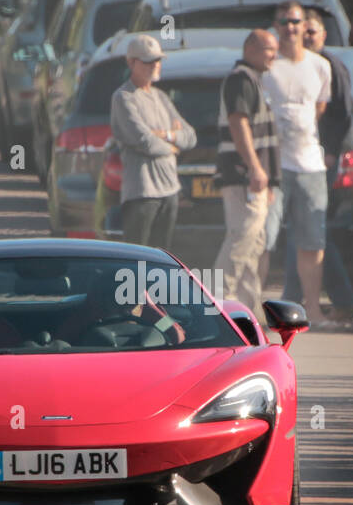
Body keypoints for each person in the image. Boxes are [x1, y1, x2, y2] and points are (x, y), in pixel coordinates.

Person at [283, 10, 353, 322]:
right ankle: (301, 298)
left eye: (313, 32)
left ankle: (332, 299)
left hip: (320, 162)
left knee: (312, 233)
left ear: (324, 35)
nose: (308, 37)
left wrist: (331, 152)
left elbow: (344, 114)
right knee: (303, 232)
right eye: (304, 31)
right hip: (294, 160)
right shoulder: (295, 68)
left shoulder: (329, 66)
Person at [263, 1, 333, 328]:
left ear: (305, 25)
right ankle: (251, 309)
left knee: (312, 242)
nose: (291, 27)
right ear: (275, 26)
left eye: (296, 21)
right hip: (273, 168)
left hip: (310, 165)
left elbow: (318, 111)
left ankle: (313, 312)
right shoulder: (267, 66)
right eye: (284, 21)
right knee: (263, 238)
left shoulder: (320, 66)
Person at [212, 29, 280, 314]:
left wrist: (270, 182)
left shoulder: (255, 80)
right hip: (244, 177)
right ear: (250, 48)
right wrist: (255, 168)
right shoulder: (241, 79)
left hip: (257, 180)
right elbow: (238, 124)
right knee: (241, 239)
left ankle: (245, 311)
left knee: (254, 245)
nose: (274, 56)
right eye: (268, 49)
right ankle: (216, 301)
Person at [110, 35, 196, 249]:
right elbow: (144, 140)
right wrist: (172, 146)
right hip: (142, 192)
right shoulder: (124, 98)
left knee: (161, 258)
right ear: (131, 63)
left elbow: (190, 136)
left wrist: (165, 135)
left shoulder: (161, 97)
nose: (155, 65)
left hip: (170, 191)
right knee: (137, 258)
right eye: (148, 61)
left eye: (157, 60)